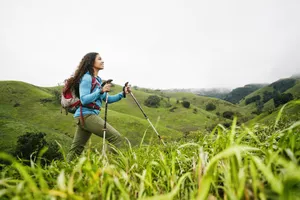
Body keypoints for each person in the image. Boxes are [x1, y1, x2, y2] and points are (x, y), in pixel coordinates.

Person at [66, 52, 130, 161]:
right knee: (116, 138)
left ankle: (62, 172)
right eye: (99, 59)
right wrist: (100, 91)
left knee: (76, 150)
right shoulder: (86, 77)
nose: (103, 61)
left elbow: (107, 99)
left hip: (84, 116)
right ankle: (105, 167)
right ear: (91, 62)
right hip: (86, 115)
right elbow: (84, 99)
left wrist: (122, 94)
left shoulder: (98, 80)